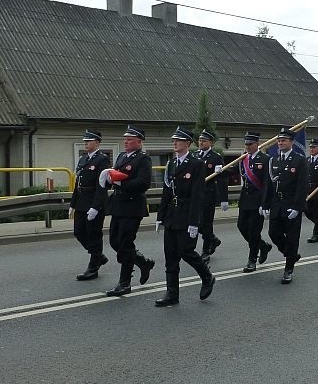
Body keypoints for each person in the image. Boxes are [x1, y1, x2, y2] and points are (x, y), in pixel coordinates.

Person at [153, 127, 216, 306]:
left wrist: (194, 222)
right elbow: (166, 192)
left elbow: (197, 195)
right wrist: (160, 216)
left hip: (187, 214)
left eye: (178, 140)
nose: (174, 143)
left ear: (187, 143)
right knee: (170, 255)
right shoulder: (171, 164)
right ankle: (172, 294)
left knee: (186, 251)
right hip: (172, 215)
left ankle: (207, 276)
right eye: (173, 140)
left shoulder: (196, 164)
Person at [102, 125, 156, 297]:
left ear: (139, 141)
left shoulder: (143, 159)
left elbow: (143, 183)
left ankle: (124, 283)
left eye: (130, 139)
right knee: (114, 241)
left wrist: (121, 183)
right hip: (118, 204)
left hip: (133, 206)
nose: (126, 142)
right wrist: (108, 179)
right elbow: (116, 176)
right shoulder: (121, 157)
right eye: (125, 138)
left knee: (125, 243)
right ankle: (143, 262)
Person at [262, 126, 309, 284]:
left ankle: (288, 269)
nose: (280, 143)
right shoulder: (273, 160)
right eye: (279, 140)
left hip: (291, 204)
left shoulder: (299, 160)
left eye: (283, 140)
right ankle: (292, 255)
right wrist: (265, 204)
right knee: (273, 233)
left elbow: (302, 186)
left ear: (291, 142)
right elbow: (269, 185)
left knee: (292, 238)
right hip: (276, 204)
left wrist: (297, 207)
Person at [70, 130, 111, 280]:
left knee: (94, 235)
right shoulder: (83, 159)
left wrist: (96, 206)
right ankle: (98, 255)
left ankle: (93, 267)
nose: (86, 143)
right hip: (81, 201)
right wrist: (72, 203)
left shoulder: (102, 160)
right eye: (85, 141)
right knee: (78, 232)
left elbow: (102, 186)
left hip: (94, 202)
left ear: (97, 142)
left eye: (89, 141)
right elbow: (77, 183)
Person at [193, 129, 229, 264]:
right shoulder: (195, 155)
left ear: (211, 143)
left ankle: (205, 251)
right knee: (196, 222)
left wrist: (224, 199)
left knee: (206, 223)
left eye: (204, 141)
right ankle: (213, 239)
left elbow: (222, 179)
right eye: (200, 140)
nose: (201, 142)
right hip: (196, 194)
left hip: (208, 194)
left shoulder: (216, 157)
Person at [238, 132, 272, 273]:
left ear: (257, 143)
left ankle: (252, 259)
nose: (247, 147)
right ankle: (263, 246)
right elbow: (234, 171)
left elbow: (267, 184)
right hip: (245, 199)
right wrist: (221, 171)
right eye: (246, 144)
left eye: (250, 144)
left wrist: (265, 204)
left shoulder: (265, 159)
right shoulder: (243, 159)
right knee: (241, 227)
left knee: (253, 231)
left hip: (257, 201)